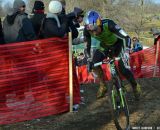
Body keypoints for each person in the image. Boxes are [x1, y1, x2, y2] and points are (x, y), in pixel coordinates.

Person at [83, 10, 141, 100]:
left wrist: (126, 51)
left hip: (118, 44)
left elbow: (127, 37)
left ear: (100, 24)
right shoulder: (87, 30)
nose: (94, 33)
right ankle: (103, 85)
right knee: (94, 63)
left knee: (123, 69)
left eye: (95, 30)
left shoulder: (109, 24)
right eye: (91, 31)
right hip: (105, 45)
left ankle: (135, 85)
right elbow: (87, 46)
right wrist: (88, 60)